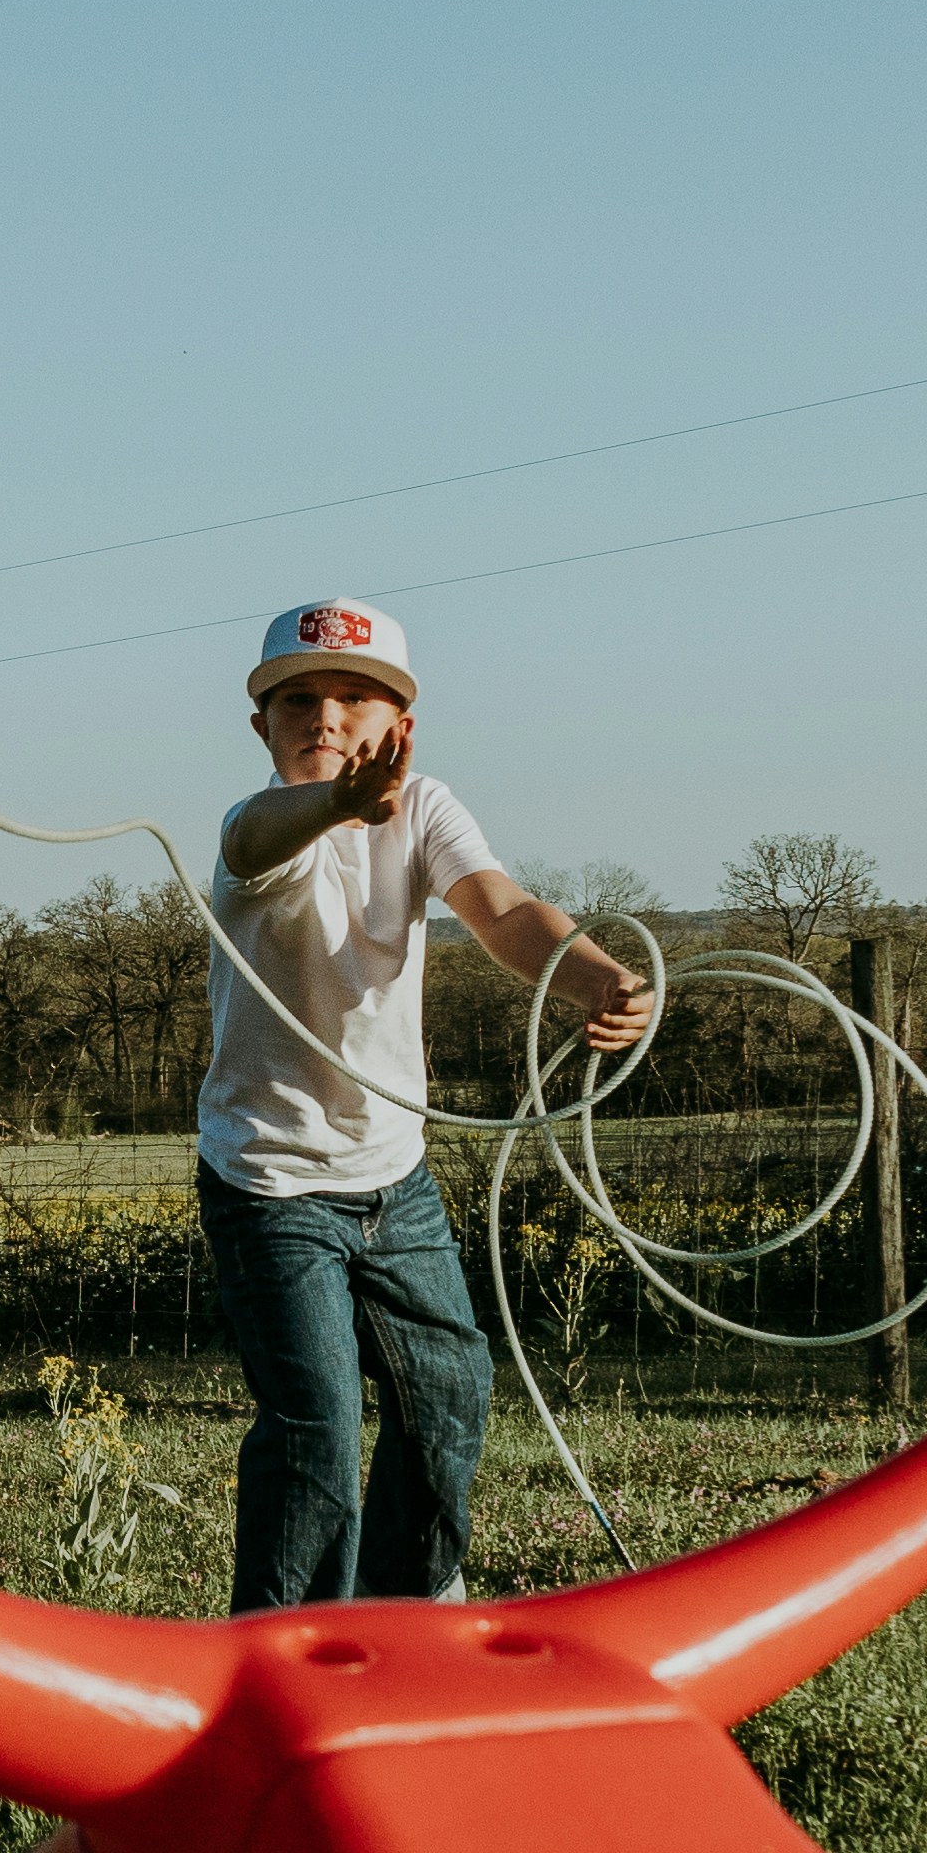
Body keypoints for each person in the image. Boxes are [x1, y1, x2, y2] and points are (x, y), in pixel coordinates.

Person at [195, 600, 658, 1614]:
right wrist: (337, 803)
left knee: (450, 1392)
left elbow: (498, 909)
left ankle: (408, 1606)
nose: (325, 714)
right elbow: (260, 837)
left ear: (398, 724)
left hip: (391, 1174)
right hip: (267, 1181)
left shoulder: (426, 806)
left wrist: (594, 979)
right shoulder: (256, 828)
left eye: (353, 697)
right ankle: (290, 1645)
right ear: (261, 726)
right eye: (299, 699)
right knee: (315, 1425)